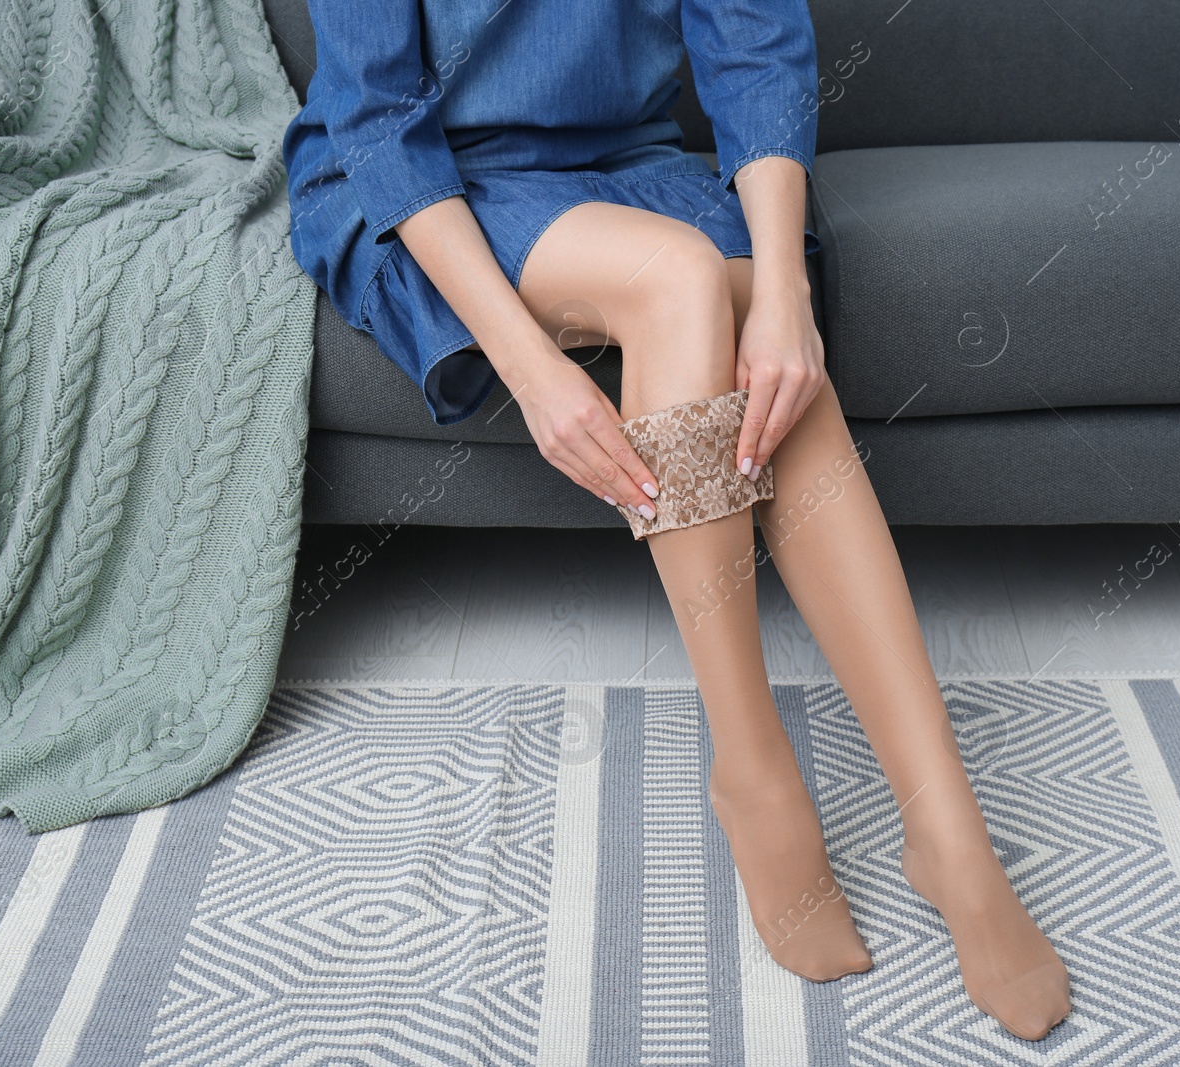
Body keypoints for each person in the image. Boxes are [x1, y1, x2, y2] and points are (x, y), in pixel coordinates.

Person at [282, 0, 1070, 1041]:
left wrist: (785, 293)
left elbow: (755, 43)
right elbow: (379, 117)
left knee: (756, 331)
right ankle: (754, 767)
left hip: (624, 168)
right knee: (682, 279)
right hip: (424, 189)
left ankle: (948, 829)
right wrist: (531, 367)